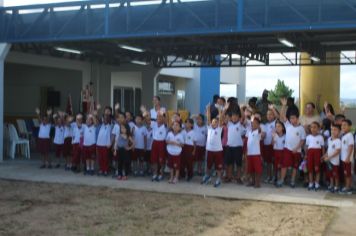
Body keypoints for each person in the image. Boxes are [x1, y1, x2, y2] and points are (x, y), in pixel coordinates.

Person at [277, 98, 306, 188]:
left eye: (293, 118)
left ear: (297, 118)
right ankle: (281, 180)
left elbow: (302, 140)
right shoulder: (288, 125)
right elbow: (281, 116)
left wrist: (296, 148)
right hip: (287, 149)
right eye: (290, 118)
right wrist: (284, 106)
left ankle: (292, 181)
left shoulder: (301, 129)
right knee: (284, 165)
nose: (291, 120)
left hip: (296, 151)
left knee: (295, 167)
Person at [201, 103, 224, 188]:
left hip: (218, 150)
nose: (214, 123)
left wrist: (219, 110)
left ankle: (218, 179)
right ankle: (207, 176)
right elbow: (208, 118)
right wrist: (208, 109)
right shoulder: (209, 128)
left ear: (218, 124)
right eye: (213, 122)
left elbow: (221, 119)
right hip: (209, 150)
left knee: (218, 167)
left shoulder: (219, 128)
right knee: (208, 165)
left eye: (216, 122)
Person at [224, 110, 245, 184]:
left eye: (236, 116)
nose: (234, 117)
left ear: (239, 118)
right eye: (233, 116)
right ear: (231, 117)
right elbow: (224, 118)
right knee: (229, 163)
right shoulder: (229, 124)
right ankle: (229, 177)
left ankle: (238, 178)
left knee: (238, 164)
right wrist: (225, 109)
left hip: (238, 147)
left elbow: (243, 117)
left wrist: (241, 109)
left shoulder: (240, 124)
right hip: (229, 147)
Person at [305, 122, 325, 191]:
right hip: (310, 154)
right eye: (312, 127)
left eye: (315, 127)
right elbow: (307, 147)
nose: (313, 129)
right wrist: (305, 155)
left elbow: (322, 147)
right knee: (310, 169)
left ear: (318, 129)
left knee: (317, 169)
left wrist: (323, 156)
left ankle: (317, 183)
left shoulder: (320, 137)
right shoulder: (308, 137)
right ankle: (311, 183)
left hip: (318, 154)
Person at [322, 124, 341, 193]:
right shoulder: (329, 139)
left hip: (335, 162)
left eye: (335, 130)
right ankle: (331, 185)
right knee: (330, 174)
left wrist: (329, 157)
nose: (333, 131)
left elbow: (337, 151)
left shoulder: (338, 141)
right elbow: (328, 150)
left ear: (339, 132)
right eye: (332, 130)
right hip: (328, 161)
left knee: (335, 174)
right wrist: (325, 155)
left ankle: (336, 186)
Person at [246, 117, 263, 188]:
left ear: (258, 125)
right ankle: (252, 181)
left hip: (256, 154)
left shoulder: (258, 132)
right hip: (249, 153)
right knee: (251, 169)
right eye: (252, 123)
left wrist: (258, 125)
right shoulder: (249, 132)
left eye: (256, 123)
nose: (253, 124)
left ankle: (257, 183)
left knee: (257, 169)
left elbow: (260, 130)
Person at [96, 107, 113, 176]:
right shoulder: (100, 125)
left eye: (106, 118)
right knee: (100, 158)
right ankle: (101, 169)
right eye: (103, 118)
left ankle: (105, 169)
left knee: (106, 158)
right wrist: (97, 110)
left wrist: (108, 114)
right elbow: (96, 119)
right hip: (99, 144)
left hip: (106, 145)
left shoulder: (111, 125)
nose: (105, 119)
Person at [150, 112, 168, 182]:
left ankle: (161, 174)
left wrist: (163, 113)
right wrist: (145, 113)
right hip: (155, 143)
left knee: (161, 160)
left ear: (163, 118)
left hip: (162, 143)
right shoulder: (154, 124)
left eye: (161, 117)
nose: (159, 118)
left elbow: (167, 119)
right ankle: (155, 174)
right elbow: (147, 120)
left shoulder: (165, 125)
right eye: (158, 117)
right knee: (154, 160)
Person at [340, 119, 354, 194]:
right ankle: (347, 186)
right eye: (342, 125)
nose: (343, 126)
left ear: (350, 126)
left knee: (348, 174)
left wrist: (348, 157)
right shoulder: (343, 135)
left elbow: (351, 146)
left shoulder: (350, 135)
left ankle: (348, 188)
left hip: (347, 159)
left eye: (345, 125)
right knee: (346, 173)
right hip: (343, 158)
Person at [262, 109, 276, 183]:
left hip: (273, 146)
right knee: (268, 163)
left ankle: (274, 177)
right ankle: (269, 176)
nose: (269, 116)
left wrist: (273, 108)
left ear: (274, 115)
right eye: (268, 114)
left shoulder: (276, 123)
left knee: (274, 162)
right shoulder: (265, 125)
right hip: (266, 145)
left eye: (271, 114)